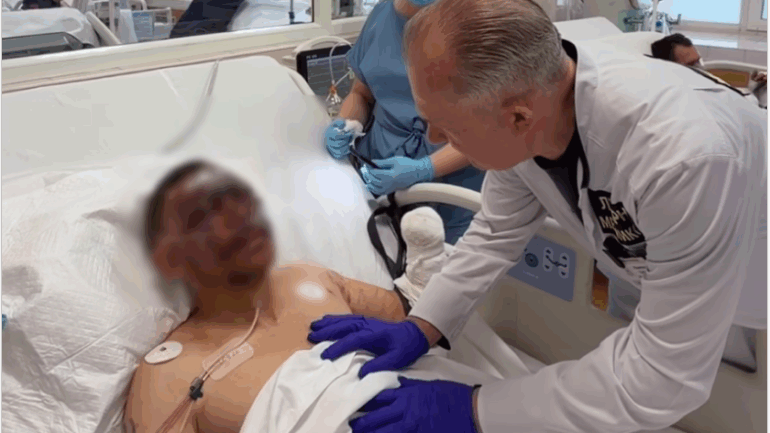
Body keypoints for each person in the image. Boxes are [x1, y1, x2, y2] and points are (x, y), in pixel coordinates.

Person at [307, 0, 767, 432]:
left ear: (519, 118)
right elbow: (494, 233)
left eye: (448, 126)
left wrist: (476, 410)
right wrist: (422, 325)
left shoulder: (682, 159)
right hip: (673, 263)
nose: (432, 137)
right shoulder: (534, 96)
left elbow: (659, 379)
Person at [123, 160, 417, 433]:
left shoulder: (307, 276)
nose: (235, 217)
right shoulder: (168, 377)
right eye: (202, 216)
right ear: (170, 258)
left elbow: (411, 316)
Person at [323, 0, 486, 245]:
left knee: (438, 261)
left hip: (450, 185)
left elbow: (488, 131)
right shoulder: (381, 16)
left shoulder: (475, 25)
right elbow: (361, 93)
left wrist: (424, 168)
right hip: (376, 172)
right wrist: (345, 123)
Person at [651, 33, 767, 108]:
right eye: (691, 64)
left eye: (698, 61)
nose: (700, 67)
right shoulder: (689, 98)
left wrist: (755, 90)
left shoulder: (705, 81)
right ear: (672, 67)